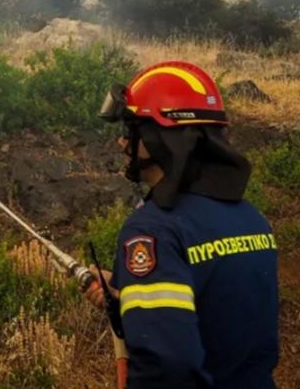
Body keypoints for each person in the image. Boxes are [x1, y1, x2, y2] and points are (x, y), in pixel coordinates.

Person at [86, 61, 279, 388]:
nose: (122, 144)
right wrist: (130, 296)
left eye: (130, 131)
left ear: (160, 137)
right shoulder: (252, 220)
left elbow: (168, 368)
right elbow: (214, 308)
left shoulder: (152, 232)